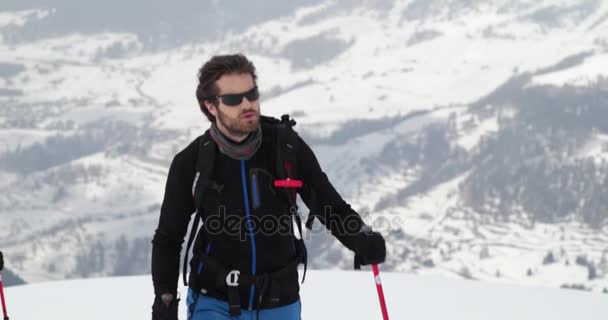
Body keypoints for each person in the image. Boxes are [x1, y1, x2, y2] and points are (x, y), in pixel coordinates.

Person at [151, 54, 386, 320]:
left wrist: (361, 238)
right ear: (211, 106)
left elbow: (328, 205)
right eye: (233, 99)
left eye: (251, 94)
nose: (247, 104)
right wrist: (165, 299)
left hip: (279, 301)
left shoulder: (286, 148)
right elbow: (169, 238)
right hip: (215, 299)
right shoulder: (192, 162)